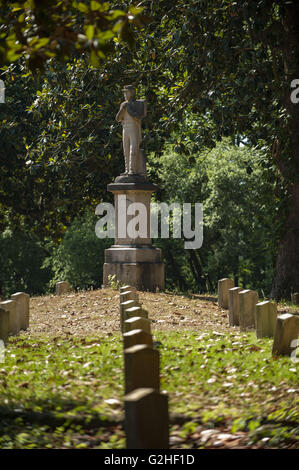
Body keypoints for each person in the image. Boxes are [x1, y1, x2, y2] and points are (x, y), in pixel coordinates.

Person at [116, 85, 147, 174]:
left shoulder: (137, 104)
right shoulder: (123, 104)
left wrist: (128, 108)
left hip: (134, 127)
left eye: (127, 92)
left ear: (132, 92)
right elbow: (118, 118)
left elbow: (138, 117)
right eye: (124, 92)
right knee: (126, 150)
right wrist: (123, 108)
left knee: (133, 149)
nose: (125, 94)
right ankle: (127, 169)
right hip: (125, 128)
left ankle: (132, 169)